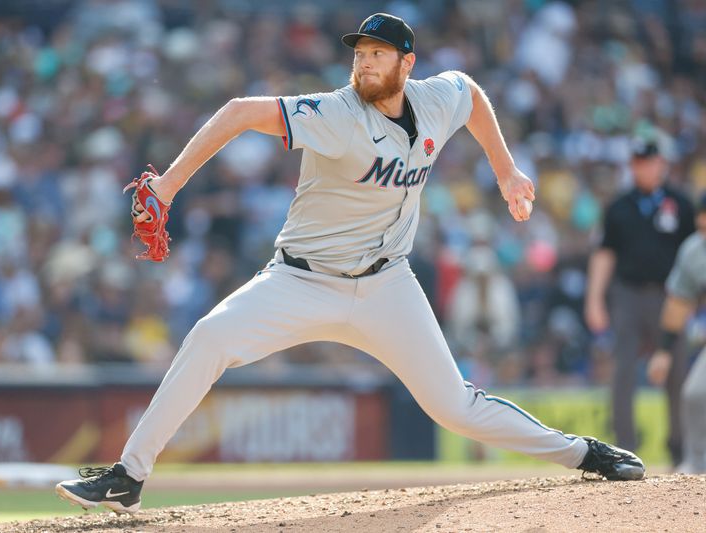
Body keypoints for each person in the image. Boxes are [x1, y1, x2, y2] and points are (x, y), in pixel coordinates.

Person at [57, 13, 645, 514]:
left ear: (406, 64)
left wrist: (506, 170)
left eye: (377, 54)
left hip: (388, 285)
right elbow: (238, 112)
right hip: (300, 280)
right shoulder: (336, 114)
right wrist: (166, 187)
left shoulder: (435, 101)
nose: (364, 63)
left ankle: (583, 453)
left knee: (455, 407)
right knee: (209, 338)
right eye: (360, 53)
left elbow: (469, 92)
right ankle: (130, 477)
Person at [585, 134, 695, 462]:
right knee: (623, 372)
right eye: (637, 163)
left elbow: (695, 255)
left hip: (671, 297)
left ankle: (680, 450)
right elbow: (604, 255)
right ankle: (625, 449)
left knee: (676, 373)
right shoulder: (619, 207)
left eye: (649, 162)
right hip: (628, 295)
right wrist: (594, 299)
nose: (643, 169)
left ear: (662, 164)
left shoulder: (681, 203)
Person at [646, 193, 706, 474]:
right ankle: (697, 464)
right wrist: (664, 350)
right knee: (696, 393)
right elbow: (677, 305)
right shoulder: (695, 251)